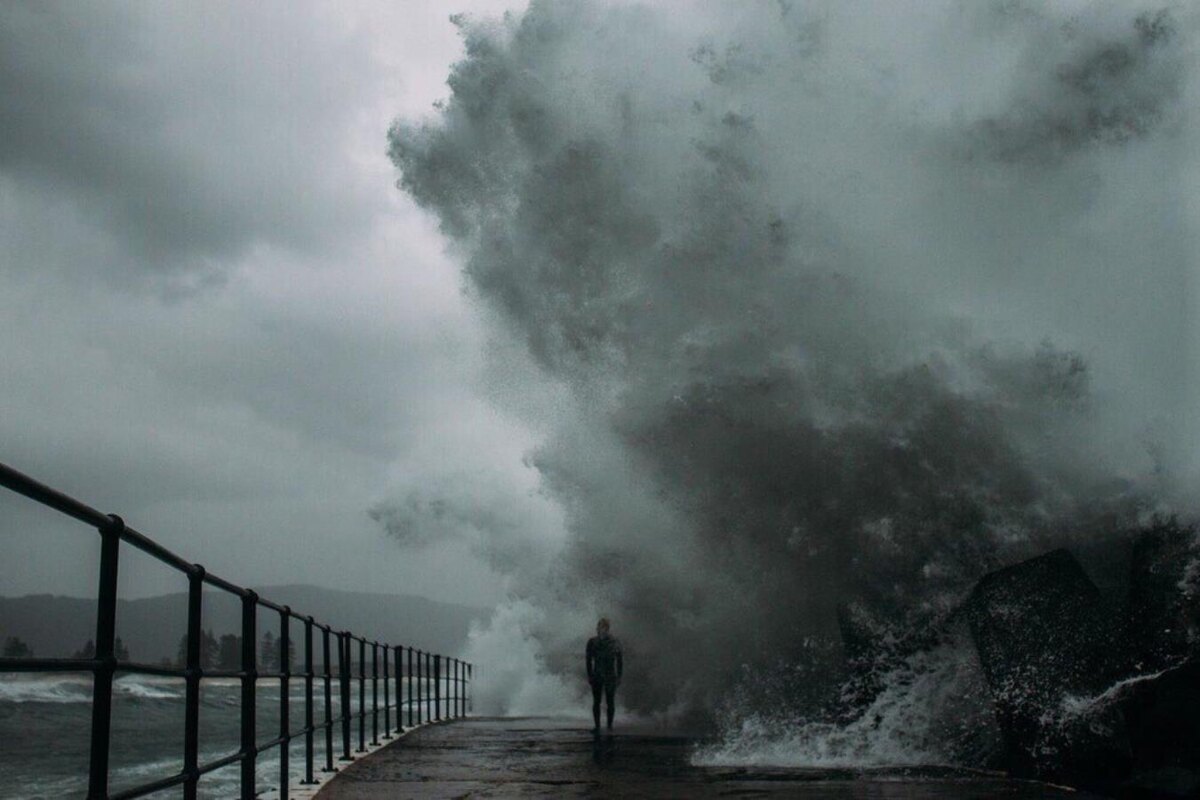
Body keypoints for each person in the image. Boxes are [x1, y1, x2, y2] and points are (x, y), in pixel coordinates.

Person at [585, 617, 623, 732]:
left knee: (610, 701)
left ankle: (609, 725)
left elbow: (620, 660)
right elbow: (588, 660)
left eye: (604, 628)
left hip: (610, 674)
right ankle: (597, 726)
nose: (602, 630)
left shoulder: (615, 642)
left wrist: (619, 676)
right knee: (596, 701)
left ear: (607, 629)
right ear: (597, 628)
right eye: (600, 627)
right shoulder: (592, 642)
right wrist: (590, 675)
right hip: (597, 674)